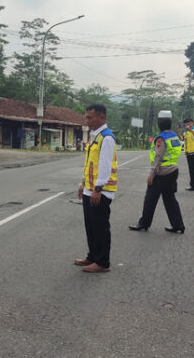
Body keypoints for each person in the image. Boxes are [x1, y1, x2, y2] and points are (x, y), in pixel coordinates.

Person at [75, 104, 117, 273]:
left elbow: (105, 166)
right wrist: (83, 183)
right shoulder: (95, 137)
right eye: (87, 117)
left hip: (100, 191)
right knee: (90, 226)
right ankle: (92, 256)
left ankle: (102, 262)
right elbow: (90, 164)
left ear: (101, 118)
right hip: (89, 188)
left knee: (100, 227)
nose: (87, 120)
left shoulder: (106, 138)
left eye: (90, 117)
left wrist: (98, 189)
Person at [129, 110, 185, 233]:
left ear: (160, 123)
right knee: (170, 199)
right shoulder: (174, 136)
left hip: (162, 172)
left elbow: (158, 157)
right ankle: (178, 225)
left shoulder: (161, 139)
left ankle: (144, 223)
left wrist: (152, 174)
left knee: (150, 199)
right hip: (173, 170)